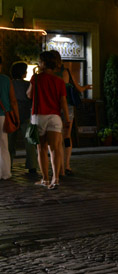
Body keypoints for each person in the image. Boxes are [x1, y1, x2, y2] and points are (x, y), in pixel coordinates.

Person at [27, 51, 70, 190]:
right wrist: (67, 119)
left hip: (39, 116)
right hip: (55, 117)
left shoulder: (36, 78)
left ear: (43, 63)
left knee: (41, 149)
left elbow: (29, 95)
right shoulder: (59, 81)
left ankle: (45, 179)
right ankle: (55, 178)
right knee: (55, 149)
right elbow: (63, 101)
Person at [50, 50, 92, 176]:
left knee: (56, 137)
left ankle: (58, 165)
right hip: (68, 107)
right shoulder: (66, 71)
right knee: (67, 136)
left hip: (54, 107)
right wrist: (86, 87)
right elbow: (78, 88)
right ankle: (66, 165)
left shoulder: (49, 73)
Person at [8, 62, 37, 175]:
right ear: (22, 73)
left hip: (11, 116)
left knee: (10, 143)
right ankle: (32, 166)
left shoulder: (9, 84)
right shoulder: (28, 84)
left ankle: (8, 164)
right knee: (30, 142)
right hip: (28, 116)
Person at [0, 56, 19, 180]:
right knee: (3, 145)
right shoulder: (6, 80)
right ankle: (5, 173)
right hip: (2, 115)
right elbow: (13, 100)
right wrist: (16, 117)